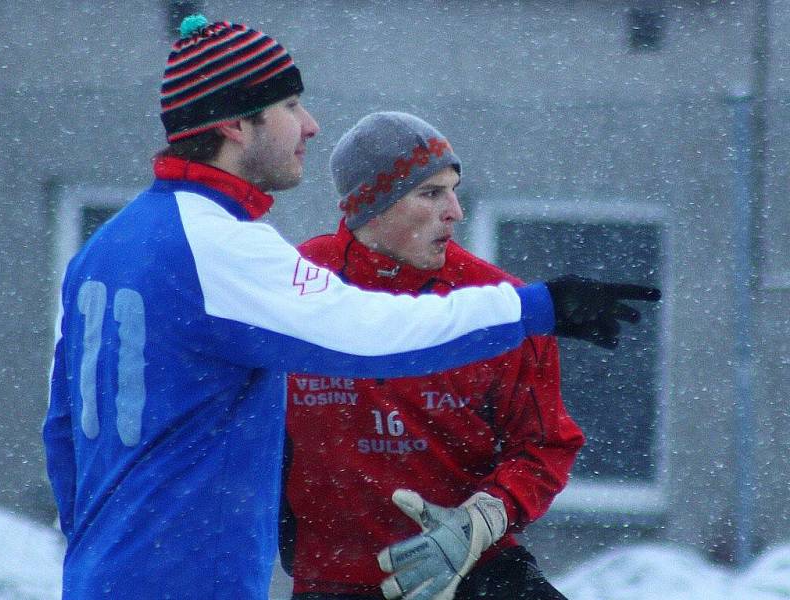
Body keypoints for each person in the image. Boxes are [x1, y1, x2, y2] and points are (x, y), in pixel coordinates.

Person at [42, 14, 659, 600]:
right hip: (193, 575)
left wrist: (101, 544)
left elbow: (63, 429)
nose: (309, 125)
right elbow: (368, 333)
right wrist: (537, 306)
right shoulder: (222, 247)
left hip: (111, 572)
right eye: (290, 105)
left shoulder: (106, 247)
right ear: (235, 125)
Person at [280, 112, 587, 600]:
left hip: (476, 573)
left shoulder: (502, 304)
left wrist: (478, 522)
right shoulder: (293, 286)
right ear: (370, 209)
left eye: (454, 189)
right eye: (431, 193)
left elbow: (546, 445)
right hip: (335, 581)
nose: (455, 212)